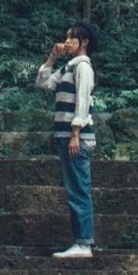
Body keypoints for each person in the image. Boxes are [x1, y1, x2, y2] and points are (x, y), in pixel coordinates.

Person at [35, 23, 97, 258]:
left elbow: (83, 101)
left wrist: (75, 134)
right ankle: (81, 242)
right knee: (75, 189)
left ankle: (83, 243)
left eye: (72, 37)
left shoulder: (82, 67)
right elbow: (43, 84)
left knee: (79, 189)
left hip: (76, 139)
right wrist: (52, 58)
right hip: (67, 137)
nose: (67, 40)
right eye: (67, 36)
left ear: (84, 42)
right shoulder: (68, 67)